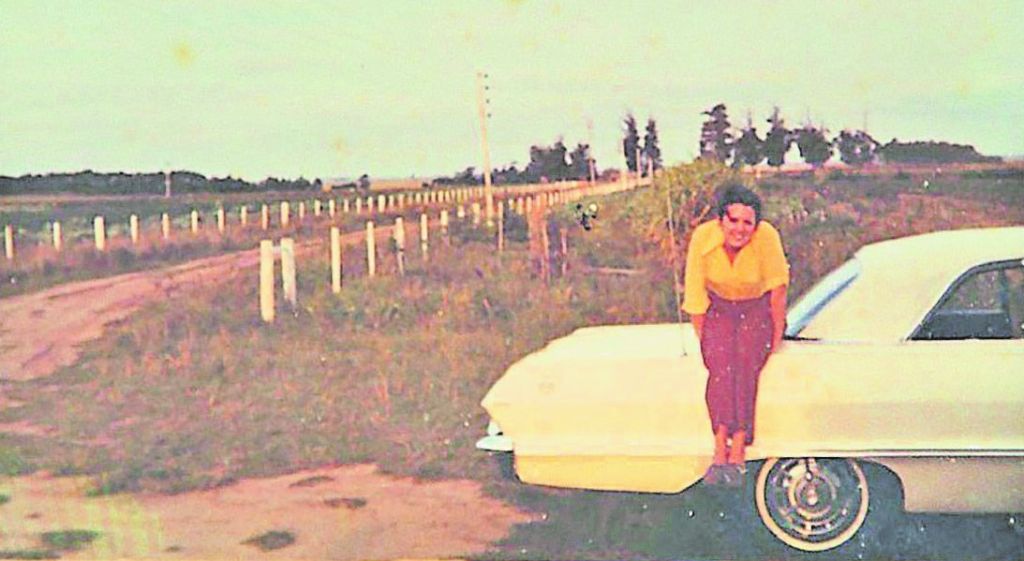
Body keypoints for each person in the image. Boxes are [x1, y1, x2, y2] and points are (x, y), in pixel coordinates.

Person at [682, 183, 789, 486]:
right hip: (719, 308)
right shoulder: (703, 238)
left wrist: (776, 333)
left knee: (745, 360)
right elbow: (695, 291)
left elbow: (777, 287)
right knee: (719, 364)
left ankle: (739, 444)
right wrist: (706, 337)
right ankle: (719, 446)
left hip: (756, 308)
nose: (740, 229)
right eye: (733, 220)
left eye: (747, 223)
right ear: (721, 220)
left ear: (756, 225)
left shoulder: (767, 236)